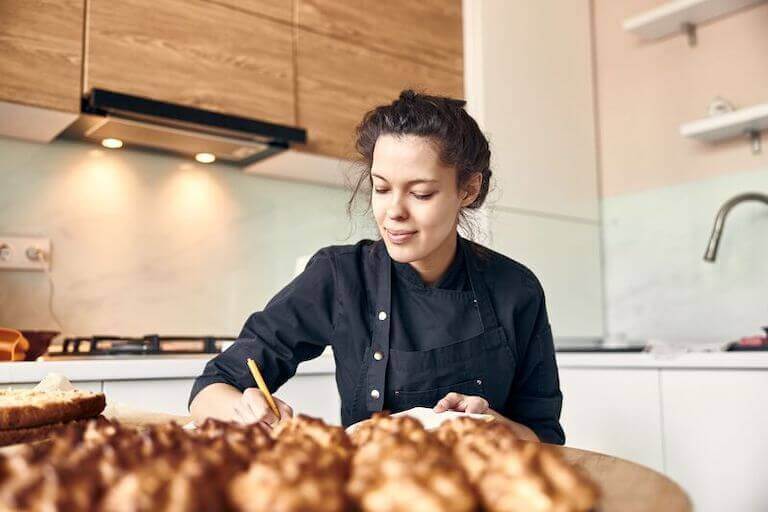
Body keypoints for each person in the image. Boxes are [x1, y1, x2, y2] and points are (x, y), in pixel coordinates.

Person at [189, 90, 565, 444]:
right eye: (381, 188)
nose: (394, 212)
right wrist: (242, 411)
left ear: (467, 189)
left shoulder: (516, 290)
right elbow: (213, 384)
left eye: (421, 193)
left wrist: (492, 426)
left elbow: (545, 438)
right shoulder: (340, 276)